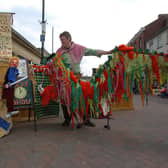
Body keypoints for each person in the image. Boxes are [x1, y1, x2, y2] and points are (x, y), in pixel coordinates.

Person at [56, 31, 113, 128]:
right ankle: (67, 119)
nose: (61, 42)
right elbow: (55, 65)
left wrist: (108, 52)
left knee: (83, 98)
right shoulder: (59, 52)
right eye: (60, 40)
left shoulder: (79, 48)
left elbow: (93, 51)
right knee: (64, 99)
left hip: (77, 78)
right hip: (65, 79)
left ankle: (86, 119)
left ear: (69, 39)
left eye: (63, 40)